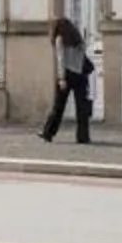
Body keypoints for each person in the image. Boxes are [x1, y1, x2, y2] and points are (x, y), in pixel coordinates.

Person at [40, 14, 96, 145]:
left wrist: (61, 78)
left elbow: (61, 60)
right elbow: (82, 54)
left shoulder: (60, 39)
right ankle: (83, 136)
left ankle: (48, 132)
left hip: (67, 74)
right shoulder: (77, 39)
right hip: (80, 75)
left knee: (58, 107)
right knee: (81, 108)